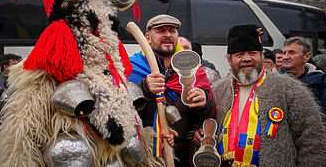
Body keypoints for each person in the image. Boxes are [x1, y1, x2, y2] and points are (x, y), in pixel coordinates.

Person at [193, 24, 326, 166]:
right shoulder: (218, 90)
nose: (246, 59)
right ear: (229, 61)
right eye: (239, 55)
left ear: (261, 56)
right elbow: (206, 125)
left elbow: (313, 140)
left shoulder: (290, 88)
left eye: (252, 53)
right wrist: (199, 133)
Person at [128, 14, 216, 167]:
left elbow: (209, 117)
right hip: (144, 158)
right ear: (148, 38)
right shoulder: (131, 67)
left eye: (172, 31)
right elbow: (123, 110)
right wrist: (144, 89)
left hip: (184, 157)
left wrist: (205, 104)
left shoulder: (194, 69)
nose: (168, 35)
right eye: (161, 31)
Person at [280, 37, 326, 115]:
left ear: (307, 56)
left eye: (292, 52)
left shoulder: (322, 80)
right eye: (284, 53)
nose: (285, 57)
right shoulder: (275, 80)